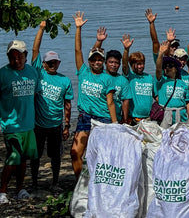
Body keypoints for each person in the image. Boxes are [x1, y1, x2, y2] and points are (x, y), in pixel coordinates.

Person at [71, 12, 117, 180]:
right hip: (85, 118)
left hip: (103, 119)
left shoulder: (107, 78)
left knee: (102, 156)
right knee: (76, 152)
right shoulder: (83, 72)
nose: (97, 62)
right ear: (89, 62)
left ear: (103, 62)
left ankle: (99, 183)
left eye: (100, 60)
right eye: (94, 59)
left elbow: (110, 103)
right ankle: (80, 184)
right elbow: (77, 50)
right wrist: (78, 29)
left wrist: (114, 124)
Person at [30, 21, 73, 191]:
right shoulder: (38, 73)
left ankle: (55, 183)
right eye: (50, 62)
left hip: (56, 125)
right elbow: (35, 50)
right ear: (44, 63)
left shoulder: (65, 80)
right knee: (35, 156)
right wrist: (40, 29)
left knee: (56, 157)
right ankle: (34, 184)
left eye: (56, 62)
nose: (53, 65)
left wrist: (67, 125)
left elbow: (67, 104)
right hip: (38, 125)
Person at [0, 39, 40, 203]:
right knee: (13, 157)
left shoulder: (32, 72)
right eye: (12, 57)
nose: (16, 61)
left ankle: (20, 189)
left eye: (19, 57)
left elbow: (36, 94)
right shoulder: (3, 74)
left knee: (23, 159)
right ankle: (2, 191)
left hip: (28, 124)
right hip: (11, 124)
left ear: (25, 55)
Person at [155, 41, 189, 127]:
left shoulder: (182, 83)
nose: (168, 68)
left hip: (181, 115)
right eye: (165, 66)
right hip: (166, 115)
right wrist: (160, 54)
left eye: (171, 66)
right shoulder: (162, 81)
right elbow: (158, 68)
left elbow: (188, 102)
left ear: (176, 69)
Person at [121, 34, 156, 124]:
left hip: (147, 118)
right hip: (132, 118)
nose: (140, 66)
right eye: (138, 64)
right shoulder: (130, 76)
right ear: (132, 65)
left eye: (142, 63)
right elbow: (124, 65)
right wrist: (126, 50)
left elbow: (155, 95)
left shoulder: (148, 77)